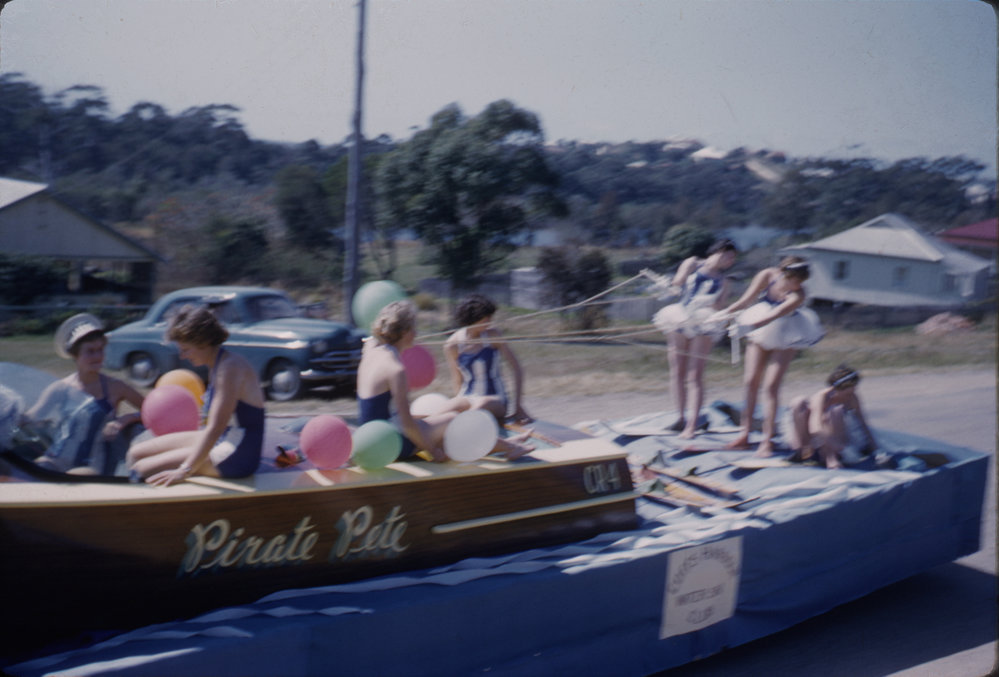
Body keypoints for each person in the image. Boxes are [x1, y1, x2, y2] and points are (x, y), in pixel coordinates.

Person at [359, 300, 533, 463]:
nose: (416, 333)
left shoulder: (371, 350)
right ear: (404, 332)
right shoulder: (395, 368)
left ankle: (503, 444)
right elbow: (407, 424)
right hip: (389, 443)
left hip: (371, 436)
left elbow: (370, 341)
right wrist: (432, 452)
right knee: (451, 420)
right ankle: (511, 447)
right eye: (414, 328)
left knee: (437, 424)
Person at [126, 305, 265, 485]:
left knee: (141, 470)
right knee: (136, 453)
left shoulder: (230, 368)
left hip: (238, 452)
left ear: (203, 342)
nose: (183, 356)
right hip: (224, 437)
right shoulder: (216, 363)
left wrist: (184, 470)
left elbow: (215, 427)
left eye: (186, 349)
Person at [716, 255, 824, 455]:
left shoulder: (798, 295)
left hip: (786, 333)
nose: (796, 285)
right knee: (750, 382)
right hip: (760, 329)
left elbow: (775, 315)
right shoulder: (767, 275)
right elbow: (746, 300)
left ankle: (767, 440)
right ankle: (744, 434)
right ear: (784, 273)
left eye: (800, 281)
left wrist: (748, 327)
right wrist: (724, 314)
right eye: (793, 280)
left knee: (771, 386)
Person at [25, 313, 145, 473]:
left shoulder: (115, 386)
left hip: (92, 469)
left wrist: (126, 418)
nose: (97, 356)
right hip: (56, 461)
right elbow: (31, 417)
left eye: (100, 350)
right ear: (75, 355)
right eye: (90, 351)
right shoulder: (60, 388)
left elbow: (152, 410)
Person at [649, 239, 738, 438]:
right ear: (719, 251)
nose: (731, 261)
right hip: (679, 317)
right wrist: (668, 286)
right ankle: (680, 418)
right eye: (729, 256)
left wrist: (717, 308)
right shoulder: (692, 263)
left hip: (704, 322)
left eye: (733, 259)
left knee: (695, 375)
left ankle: (692, 424)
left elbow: (720, 305)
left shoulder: (725, 280)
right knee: (677, 371)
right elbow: (677, 284)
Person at [443, 293, 532, 426]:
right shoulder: (452, 345)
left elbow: (516, 369)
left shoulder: (493, 335)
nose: (490, 322)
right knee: (448, 407)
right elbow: (457, 380)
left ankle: (461, 426)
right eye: (486, 319)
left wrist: (518, 406)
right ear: (472, 319)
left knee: (482, 404)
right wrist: (458, 404)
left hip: (496, 400)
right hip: (468, 397)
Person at [787, 365, 877, 469]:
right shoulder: (822, 397)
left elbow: (862, 423)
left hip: (841, 435)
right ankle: (804, 451)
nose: (852, 393)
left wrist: (874, 447)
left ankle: (833, 456)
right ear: (836, 389)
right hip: (816, 438)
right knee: (799, 402)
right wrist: (838, 446)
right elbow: (815, 428)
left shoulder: (852, 398)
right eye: (848, 392)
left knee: (836, 411)